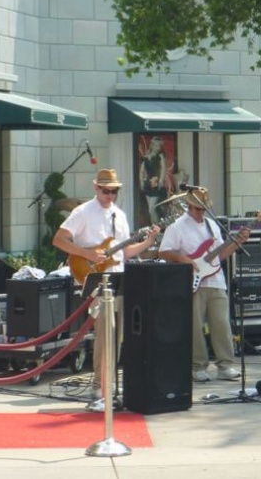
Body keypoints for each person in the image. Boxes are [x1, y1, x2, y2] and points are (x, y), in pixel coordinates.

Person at [52, 168, 159, 399]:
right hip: (95, 278)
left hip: (118, 277)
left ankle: (109, 382)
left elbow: (125, 251)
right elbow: (59, 239)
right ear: (96, 188)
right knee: (105, 332)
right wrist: (87, 254)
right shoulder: (83, 212)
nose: (110, 195)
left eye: (114, 191)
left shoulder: (119, 214)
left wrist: (148, 241)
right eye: (106, 191)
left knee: (117, 334)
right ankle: (99, 386)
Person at [158, 187, 250, 382]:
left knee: (222, 324)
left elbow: (221, 254)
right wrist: (184, 260)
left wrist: (237, 242)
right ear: (189, 207)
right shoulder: (177, 226)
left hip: (216, 280)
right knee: (195, 326)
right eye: (197, 209)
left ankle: (225, 366)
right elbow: (164, 252)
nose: (201, 212)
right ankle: (197, 367)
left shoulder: (212, 225)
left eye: (203, 209)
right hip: (192, 281)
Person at [139, 135, 168, 224]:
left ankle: (156, 228)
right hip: (148, 183)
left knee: (152, 208)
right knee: (150, 210)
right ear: (152, 145)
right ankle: (154, 227)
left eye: (159, 146)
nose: (157, 147)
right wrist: (141, 182)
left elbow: (163, 168)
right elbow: (141, 170)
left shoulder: (160, 155)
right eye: (155, 145)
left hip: (156, 183)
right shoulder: (147, 155)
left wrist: (161, 180)